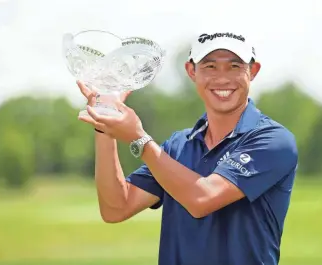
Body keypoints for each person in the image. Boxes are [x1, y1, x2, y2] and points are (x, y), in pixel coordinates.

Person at [78, 31, 299, 265]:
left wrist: (140, 139)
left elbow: (202, 199)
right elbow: (116, 208)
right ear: (191, 71)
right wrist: (104, 119)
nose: (222, 79)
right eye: (210, 67)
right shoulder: (177, 146)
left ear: (252, 71)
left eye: (234, 66)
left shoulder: (273, 140)